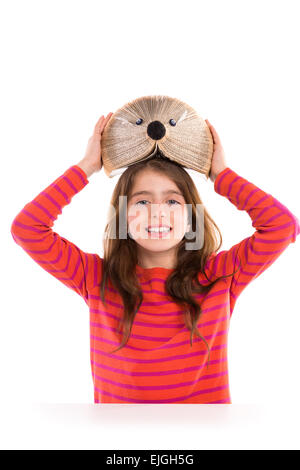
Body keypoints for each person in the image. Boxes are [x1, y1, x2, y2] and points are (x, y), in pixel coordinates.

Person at [11, 114, 300, 404]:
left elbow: (282, 226)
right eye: (142, 201)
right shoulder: (96, 278)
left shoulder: (219, 275)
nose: (158, 212)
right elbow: (27, 228)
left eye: (173, 201)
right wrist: (86, 167)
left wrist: (220, 174)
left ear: (192, 218)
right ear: (122, 217)